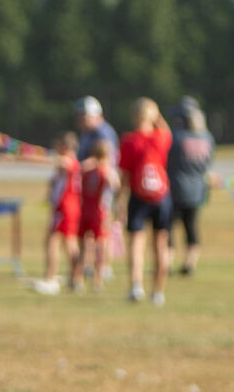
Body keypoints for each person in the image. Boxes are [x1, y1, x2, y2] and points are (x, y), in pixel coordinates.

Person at [117, 98, 173, 306]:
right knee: (160, 245)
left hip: (138, 196)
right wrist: (156, 116)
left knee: (136, 244)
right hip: (162, 196)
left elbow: (124, 175)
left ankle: (136, 286)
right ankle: (158, 291)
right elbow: (166, 131)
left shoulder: (129, 140)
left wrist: (120, 202)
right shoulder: (161, 137)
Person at [166, 98, 215, 277]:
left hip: (175, 188)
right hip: (198, 189)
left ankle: (167, 261)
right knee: (191, 226)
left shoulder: (175, 137)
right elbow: (208, 163)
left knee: (168, 226)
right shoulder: (207, 137)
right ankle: (190, 261)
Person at [31, 132, 82, 295]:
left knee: (52, 241)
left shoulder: (68, 161)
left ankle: (51, 278)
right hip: (70, 207)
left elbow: (45, 160)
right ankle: (76, 277)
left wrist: (17, 159)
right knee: (70, 244)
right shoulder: (73, 162)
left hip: (65, 206)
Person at [76, 134, 116, 291]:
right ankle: (97, 279)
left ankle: (77, 277)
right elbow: (115, 185)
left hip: (85, 209)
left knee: (83, 245)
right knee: (100, 246)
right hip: (100, 212)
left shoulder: (86, 168)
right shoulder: (106, 171)